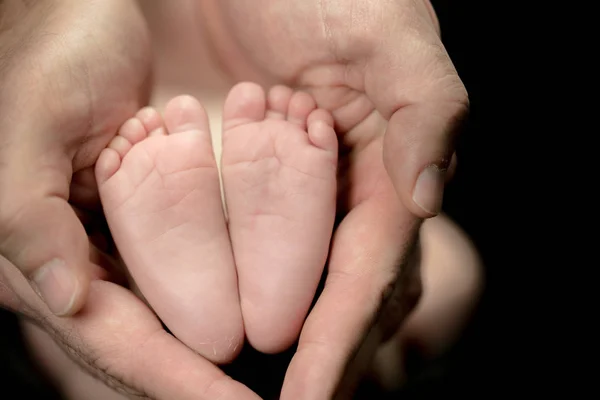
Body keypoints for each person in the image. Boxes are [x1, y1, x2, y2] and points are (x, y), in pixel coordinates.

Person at [0, 0, 469, 398]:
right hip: (292, 147)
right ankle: (367, 361)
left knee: (78, 308)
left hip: (132, 139)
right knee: (451, 275)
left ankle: (170, 298)